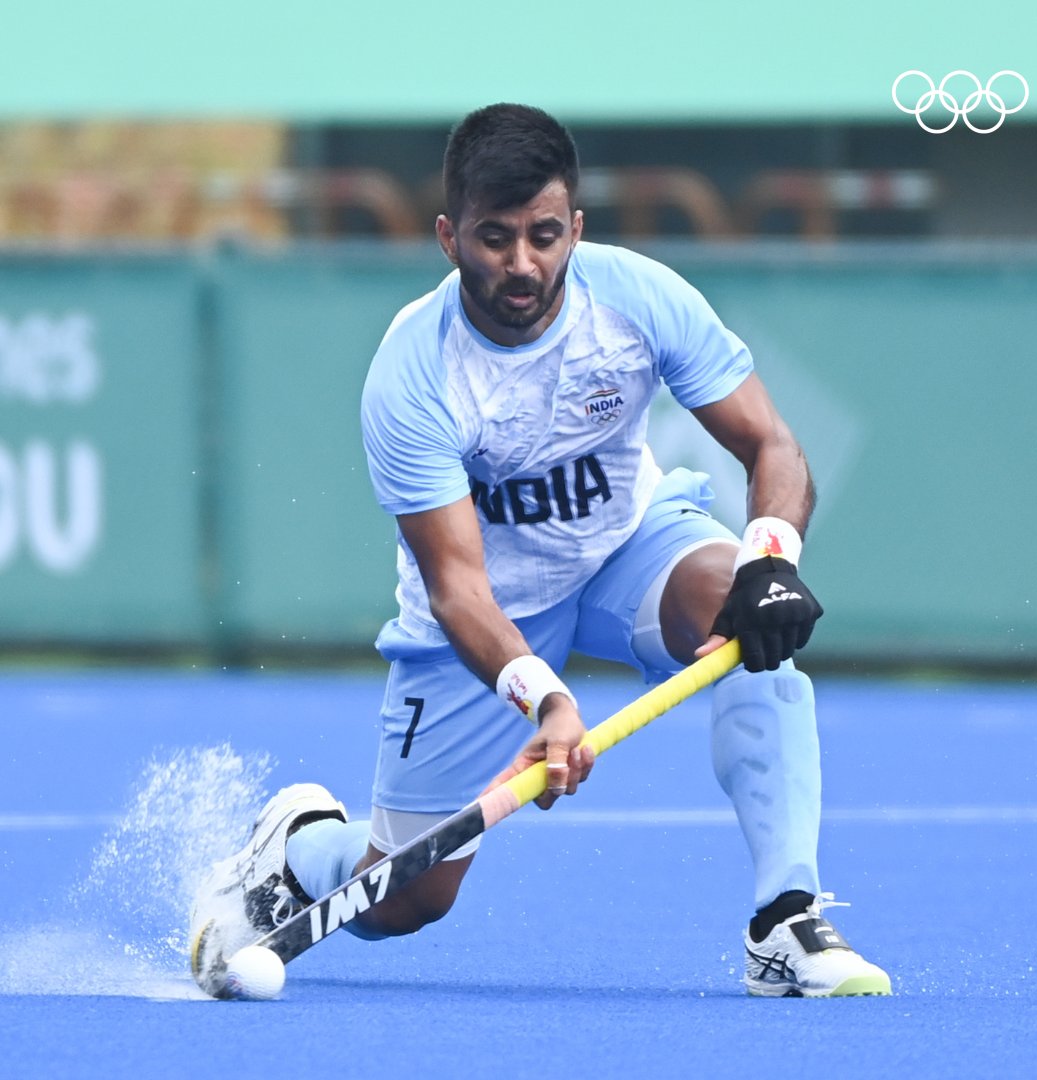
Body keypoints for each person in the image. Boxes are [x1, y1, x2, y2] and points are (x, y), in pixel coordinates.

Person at [190, 103, 890, 998]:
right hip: (487, 612)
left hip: (628, 550)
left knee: (750, 623)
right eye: (494, 238)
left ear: (576, 229)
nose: (522, 263)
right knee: (406, 898)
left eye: (544, 235)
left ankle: (784, 920)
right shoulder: (413, 375)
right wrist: (549, 702)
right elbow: (458, 588)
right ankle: (297, 849)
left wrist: (771, 559)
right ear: (449, 237)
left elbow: (771, 445)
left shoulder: (639, 298)